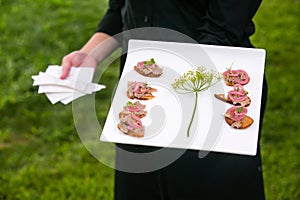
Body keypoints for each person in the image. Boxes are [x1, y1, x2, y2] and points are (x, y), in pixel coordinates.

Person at [60, 0, 268, 199]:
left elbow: (223, 28)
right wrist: (90, 53)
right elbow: (122, 8)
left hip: (208, 97)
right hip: (141, 101)